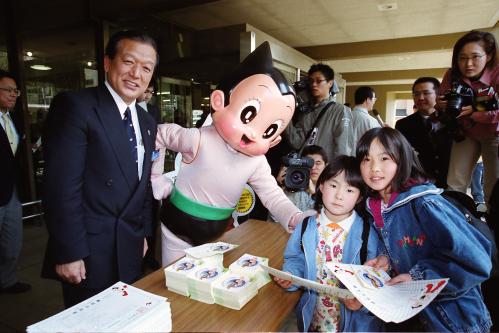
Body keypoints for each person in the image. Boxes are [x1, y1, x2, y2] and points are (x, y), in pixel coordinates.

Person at [151, 42, 310, 265]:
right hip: (176, 230)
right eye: (248, 115)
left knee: (205, 287)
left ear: (275, 139)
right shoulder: (198, 139)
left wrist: (293, 216)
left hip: (215, 235)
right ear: (219, 101)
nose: (254, 134)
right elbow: (159, 134)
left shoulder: (256, 162)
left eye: (269, 130)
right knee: (174, 282)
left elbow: (272, 196)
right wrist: (156, 176)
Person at [41, 30, 158, 308]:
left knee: (125, 317)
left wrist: (143, 234)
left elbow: (142, 187)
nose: (136, 74)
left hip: (129, 244)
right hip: (89, 250)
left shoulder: (146, 119)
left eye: (146, 68)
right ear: (107, 63)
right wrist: (68, 251)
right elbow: (61, 188)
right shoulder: (77, 106)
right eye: (128, 62)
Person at [357, 127, 492, 332]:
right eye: (366, 159)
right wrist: (386, 259)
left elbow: (477, 262)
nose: (374, 167)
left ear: (402, 159)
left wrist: (418, 277)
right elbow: (406, 244)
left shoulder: (425, 204)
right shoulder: (377, 206)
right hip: (420, 317)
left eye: (384, 158)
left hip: (456, 320)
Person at [274, 155, 384, 332]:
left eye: (350, 190)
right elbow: (295, 258)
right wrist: (290, 275)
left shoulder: (367, 233)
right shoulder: (306, 226)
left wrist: (362, 301)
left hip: (351, 321)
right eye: (333, 185)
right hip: (314, 315)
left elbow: (375, 278)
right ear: (321, 186)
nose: (339, 195)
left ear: (359, 198)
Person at [437, 30, 499, 209]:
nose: (468, 64)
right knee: (455, 182)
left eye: (475, 57)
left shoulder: (496, 74)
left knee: (493, 186)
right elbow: (443, 101)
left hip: (494, 133)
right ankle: (455, 225)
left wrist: (473, 110)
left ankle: (494, 226)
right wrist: (441, 105)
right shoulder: (452, 75)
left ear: (488, 56)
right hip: (465, 132)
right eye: (462, 58)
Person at [284, 63, 354, 162]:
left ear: (330, 83)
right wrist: (285, 113)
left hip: (327, 172)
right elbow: (297, 142)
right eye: (311, 81)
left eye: (319, 81)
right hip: (305, 169)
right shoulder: (307, 112)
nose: (314, 84)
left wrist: (337, 173)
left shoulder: (340, 111)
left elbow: (344, 148)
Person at [0, 70, 31, 294]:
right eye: (8, 90)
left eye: (15, 91)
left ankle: (7, 281)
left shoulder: (12, 119)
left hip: (11, 191)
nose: (13, 95)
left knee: (12, 242)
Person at [395, 77, 452, 188]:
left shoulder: (451, 119)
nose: (420, 98)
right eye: (416, 94)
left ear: (438, 94)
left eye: (426, 93)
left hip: (450, 180)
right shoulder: (403, 125)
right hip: (418, 183)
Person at [137, 79, 161, 271]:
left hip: (150, 168)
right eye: (146, 91)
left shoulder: (152, 111)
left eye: (150, 92)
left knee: (150, 214)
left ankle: (149, 255)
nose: (146, 95)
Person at [351, 86, 380, 152]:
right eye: (374, 99)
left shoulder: (345, 116)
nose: (374, 102)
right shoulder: (371, 121)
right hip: (362, 158)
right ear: (367, 100)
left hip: (344, 159)